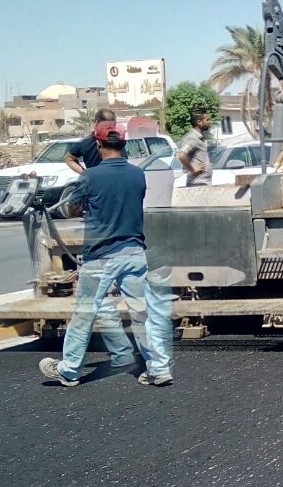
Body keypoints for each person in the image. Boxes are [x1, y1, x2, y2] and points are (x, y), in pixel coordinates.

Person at [38, 122, 174, 387]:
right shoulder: (137, 175)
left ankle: (69, 370)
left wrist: (85, 207)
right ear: (123, 145)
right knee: (142, 313)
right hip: (134, 253)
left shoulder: (90, 176)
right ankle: (159, 368)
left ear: (98, 145)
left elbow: (74, 208)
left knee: (84, 313)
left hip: (100, 256)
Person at [64, 108, 118, 174]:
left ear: (96, 122)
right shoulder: (119, 142)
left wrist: (85, 173)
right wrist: (84, 173)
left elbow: (68, 158)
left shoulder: (86, 142)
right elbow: (69, 158)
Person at [177, 110, 213, 187]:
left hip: (203, 183)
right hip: (197, 183)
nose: (210, 122)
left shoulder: (200, 138)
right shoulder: (193, 137)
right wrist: (192, 169)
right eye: (207, 120)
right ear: (199, 122)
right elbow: (181, 155)